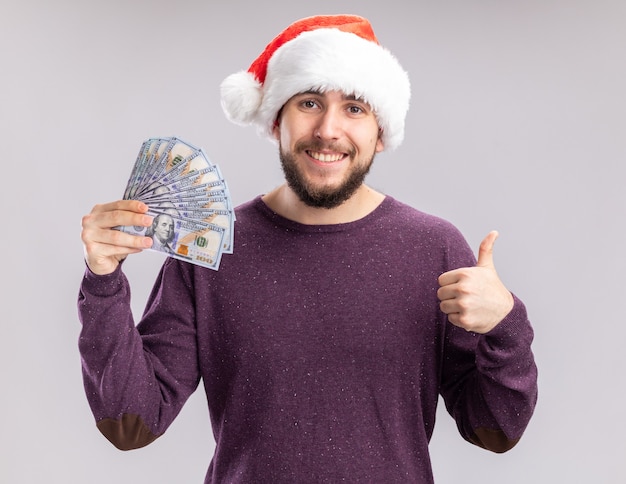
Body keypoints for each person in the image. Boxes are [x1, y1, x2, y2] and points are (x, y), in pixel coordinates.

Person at [78, 14, 538, 483]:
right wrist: (102, 283)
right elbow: (131, 422)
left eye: (355, 108)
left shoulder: (435, 248)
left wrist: (507, 323)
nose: (328, 130)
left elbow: (495, 430)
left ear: (380, 134)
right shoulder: (211, 249)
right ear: (276, 119)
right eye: (310, 102)